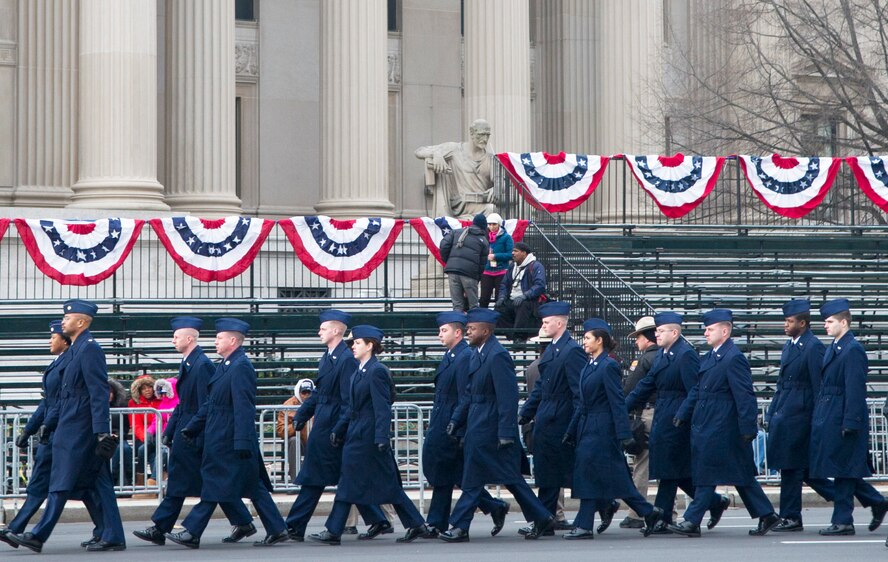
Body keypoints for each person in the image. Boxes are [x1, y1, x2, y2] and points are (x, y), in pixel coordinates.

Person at [8, 299, 126, 553]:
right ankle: (113, 535)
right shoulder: (76, 350)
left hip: (81, 427)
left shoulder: (90, 349)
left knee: (61, 481)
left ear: (81, 322)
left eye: (68, 318)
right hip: (69, 423)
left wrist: (101, 431)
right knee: (97, 483)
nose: (63, 321)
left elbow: (98, 392)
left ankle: (38, 535)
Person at [166, 318, 289, 548]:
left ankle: (192, 530)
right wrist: (192, 427)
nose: (215, 341)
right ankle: (278, 528)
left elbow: (244, 406)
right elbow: (211, 403)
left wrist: (242, 440)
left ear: (233, 340)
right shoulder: (226, 365)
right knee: (253, 486)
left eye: (219, 337)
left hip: (230, 436)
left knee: (215, 482)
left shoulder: (241, 366)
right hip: (220, 432)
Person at [133, 317, 255, 547]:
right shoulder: (190, 363)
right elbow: (183, 403)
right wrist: (170, 430)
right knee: (202, 481)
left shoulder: (202, 365)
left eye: (176, 336)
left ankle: (168, 528)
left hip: (196, 434)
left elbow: (207, 404)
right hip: (187, 431)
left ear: (189, 338)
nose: (173, 340)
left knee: (200, 481)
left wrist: (197, 433)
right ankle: (242, 520)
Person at [439, 308, 555, 542]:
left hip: (491, 427)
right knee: (510, 479)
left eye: (471, 329)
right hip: (477, 423)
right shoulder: (478, 353)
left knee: (474, 479)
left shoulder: (497, 355)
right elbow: (469, 394)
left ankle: (461, 526)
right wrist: (456, 420)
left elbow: (507, 397)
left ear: (486, 330)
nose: (468, 332)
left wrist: (505, 432)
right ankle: (542, 517)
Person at [309, 325, 432, 545]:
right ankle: (416, 524)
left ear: (370, 345)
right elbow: (351, 406)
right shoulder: (360, 370)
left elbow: (383, 406)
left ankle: (334, 530)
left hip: (368, 435)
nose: (352, 347)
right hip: (357, 433)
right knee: (376, 484)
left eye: (356, 343)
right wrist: (339, 428)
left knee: (356, 482)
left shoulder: (377, 371)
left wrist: (382, 437)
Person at [668, 309, 780, 537]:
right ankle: (767, 514)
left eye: (710, 329)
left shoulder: (733, 357)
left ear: (725, 331)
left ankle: (691, 520)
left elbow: (745, 396)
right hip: (709, 422)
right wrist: (683, 412)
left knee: (707, 472)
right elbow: (698, 389)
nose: (705, 333)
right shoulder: (711, 356)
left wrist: (748, 427)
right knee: (741, 475)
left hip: (722, 425)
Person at [284, 310, 390, 542]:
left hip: (333, 426)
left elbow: (348, 400)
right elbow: (321, 392)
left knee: (315, 477)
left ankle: (293, 525)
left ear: (336, 331)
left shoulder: (345, 358)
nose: (318, 332)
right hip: (325, 421)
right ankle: (378, 519)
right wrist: (303, 413)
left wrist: (339, 429)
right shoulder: (329, 357)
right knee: (344, 477)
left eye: (322, 328)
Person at [624, 312, 730, 533]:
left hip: (678, 419)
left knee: (671, 469)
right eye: (656, 330)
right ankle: (713, 502)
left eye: (661, 331)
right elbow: (646, 384)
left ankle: (663, 517)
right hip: (665, 415)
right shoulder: (664, 354)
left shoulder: (685, 355)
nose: (657, 334)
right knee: (671, 470)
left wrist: (683, 415)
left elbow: (695, 389)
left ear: (674, 332)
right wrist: (624, 405)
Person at [562, 318, 664, 540]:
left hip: (602, 429)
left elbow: (617, 402)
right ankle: (649, 511)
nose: (584, 342)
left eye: (588, 338)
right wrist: (571, 431)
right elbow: (582, 402)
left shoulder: (609, 366)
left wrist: (624, 434)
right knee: (615, 478)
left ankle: (585, 525)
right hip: (587, 427)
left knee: (589, 475)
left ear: (600, 340)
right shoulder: (590, 365)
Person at [422, 311, 509, 537]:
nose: (440, 335)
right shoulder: (452, 355)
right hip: (445, 419)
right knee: (453, 473)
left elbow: (465, 395)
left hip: (455, 423)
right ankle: (491, 507)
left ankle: (441, 521)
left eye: (444, 330)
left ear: (458, 333)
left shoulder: (463, 357)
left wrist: (457, 425)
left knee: (456, 473)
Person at [809, 298, 888, 536]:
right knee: (844, 469)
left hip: (843, 415)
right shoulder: (835, 346)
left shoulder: (853, 349)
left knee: (844, 470)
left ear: (844, 322)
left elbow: (855, 388)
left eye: (830, 321)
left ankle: (844, 520)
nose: (826, 325)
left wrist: (851, 421)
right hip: (832, 414)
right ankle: (875, 502)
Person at [0, 321, 73, 547]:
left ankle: (24, 530)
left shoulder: (69, 364)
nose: (50, 341)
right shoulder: (58, 362)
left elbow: (62, 401)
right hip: (50, 433)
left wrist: (48, 425)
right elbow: (47, 402)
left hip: (60, 431)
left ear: (65, 340)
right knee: (41, 482)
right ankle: (16, 527)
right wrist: (28, 430)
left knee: (51, 483)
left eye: (53, 338)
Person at [517, 302, 587, 535]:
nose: (543, 325)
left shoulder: (571, 350)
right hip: (547, 417)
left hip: (562, 418)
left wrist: (575, 424)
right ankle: (544, 521)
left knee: (567, 470)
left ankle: (605, 504)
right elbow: (540, 387)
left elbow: (579, 392)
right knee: (547, 472)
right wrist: (527, 411)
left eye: (546, 322)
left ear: (559, 323)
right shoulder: (555, 349)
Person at [765, 299, 834, 532]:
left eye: (790, 321)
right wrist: (772, 410)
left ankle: (791, 517)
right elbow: (782, 383)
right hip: (787, 413)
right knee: (799, 470)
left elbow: (818, 386)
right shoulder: (790, 345)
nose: (785, 325)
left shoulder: (813, 347)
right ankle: (866, 499)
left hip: (801, 416)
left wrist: (817, 418)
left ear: (802, 323)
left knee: (792, 469)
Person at [414, 118, 497, 219]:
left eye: (487, 135)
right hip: (459, 206)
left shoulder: (491, 159)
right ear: (471, 133)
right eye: (481, 134)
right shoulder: (454, 150)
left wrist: (496, 189)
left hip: (482, 204)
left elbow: (502, 183)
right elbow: (419, 151)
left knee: (493, 210)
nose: (484, 139)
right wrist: (436, 154)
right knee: (491, 210)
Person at [620, 316, 659, 529]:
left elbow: (630, 389)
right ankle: (667, 509)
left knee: (641, 463)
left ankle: (637, 512)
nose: (636, 341)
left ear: (647, 337)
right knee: (665, 465)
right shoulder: (665, 355)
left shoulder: (645, 359)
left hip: (648, 413)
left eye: (638, 336)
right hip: (663, 413)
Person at [496, 242, 546, 342]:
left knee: (522, 306)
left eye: (516, 251)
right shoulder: (512, 267)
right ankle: (512, 335)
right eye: (512, 251)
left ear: (524, 253)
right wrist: (502, 297)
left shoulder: (536, 266)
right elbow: (504, 284)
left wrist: (525, 296)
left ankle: (519, 337)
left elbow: (540, 285)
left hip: (530, 300)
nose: (513, 253)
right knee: (499, 309)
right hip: (512, 298)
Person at [440, 213, 490, 312]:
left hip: (453, 271)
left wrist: (449, 261)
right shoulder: (483, 241)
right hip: (470, 274)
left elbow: (443, 246)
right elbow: (482, 264)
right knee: (473, 305)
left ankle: (458, 326)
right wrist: (477, 279)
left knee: (457, 304)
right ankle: (473, 327)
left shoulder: (456, 232)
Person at [277, 378, 314, 481]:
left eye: (309, 392)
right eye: (304, 392)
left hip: (313, 439)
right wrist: (296, 425)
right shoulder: (288, 405)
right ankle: (295, 480)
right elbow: (281, 430)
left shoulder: (317, 403)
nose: (306, 395)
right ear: (299, 392)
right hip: (299, 441)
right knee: (294, 441)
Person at [129, 374, 162, 485]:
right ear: (139, 391)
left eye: (149, 387)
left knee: (150, 451)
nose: (147, 390)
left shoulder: (160, 400)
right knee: (145, 449)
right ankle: (153, 483)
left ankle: (145, 483)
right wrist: (146, 437)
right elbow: (136, 424)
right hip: (142, 437)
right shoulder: (134, 403)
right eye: (143, 388)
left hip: (159, 436)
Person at [479, 213, 513, 309]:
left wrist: (496, 256)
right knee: (484, 298)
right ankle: (483, 320)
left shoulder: (506, 237)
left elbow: (511, 254)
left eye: (494, 224)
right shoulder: (484, 237)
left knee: (500, 298)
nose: (491, 227)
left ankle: (499, 320)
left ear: (499, 224)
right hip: (487, 271)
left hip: (501, 271)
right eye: (489, 224)